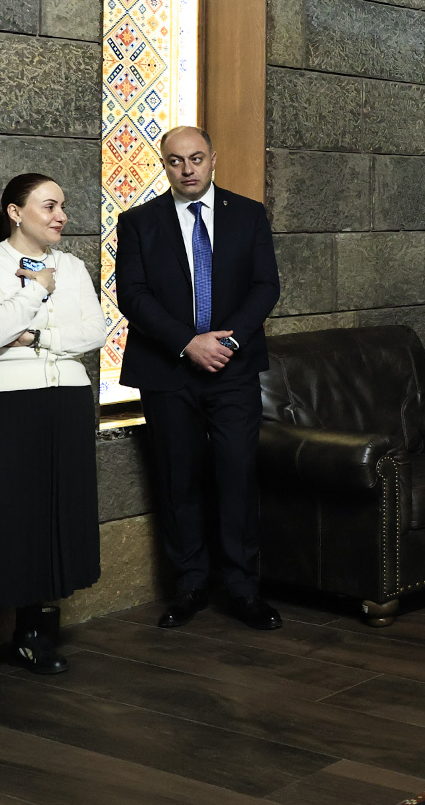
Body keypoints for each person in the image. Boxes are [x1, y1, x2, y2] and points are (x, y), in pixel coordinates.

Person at [0, 174, 108, 707]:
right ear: (15, 211)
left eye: (63, 206)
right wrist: (36, 287)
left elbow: (96, 332)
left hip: (66, 401)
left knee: (48, 517)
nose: (61, 216)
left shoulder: (73, 266)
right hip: (1, 404)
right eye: (49, 206)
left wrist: (37, 337)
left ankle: (30, 635)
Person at [116, 126, 282, 631]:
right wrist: (189, 342)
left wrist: (226, 344)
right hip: (168, 370)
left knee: (237, 474)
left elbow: (265, 285)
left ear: (213, 158)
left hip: (233, 369)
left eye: (195, 158)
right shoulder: (138, 222)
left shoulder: (248, 214)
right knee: (178, 478)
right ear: (163, 164)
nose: (187, 169)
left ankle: (243, 588)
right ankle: (189, 586)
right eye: (175, 160)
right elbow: (132, 295)